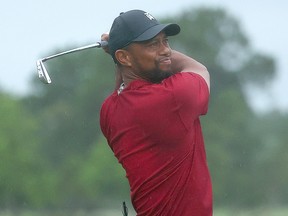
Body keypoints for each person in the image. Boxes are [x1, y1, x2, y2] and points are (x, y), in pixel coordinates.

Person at [100, 9, 212, 216]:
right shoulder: (174, 97)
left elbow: (125, 82)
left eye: (165, 41)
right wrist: (116, 51)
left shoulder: (108, 110)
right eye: (153, 44)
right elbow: (199, 69)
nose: (166, 50)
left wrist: (119, 53)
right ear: (124, 57)